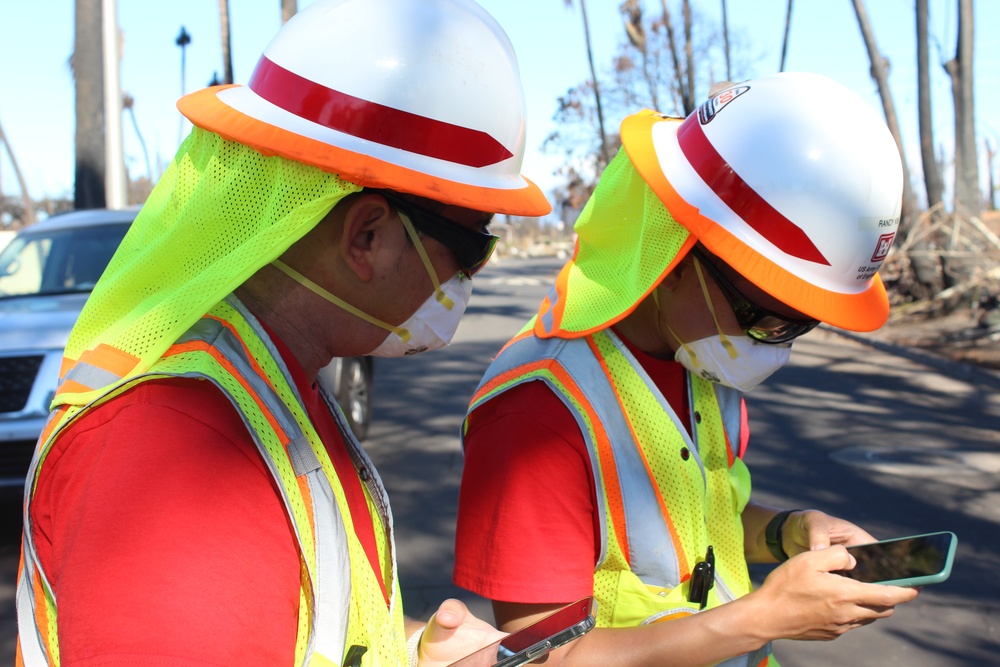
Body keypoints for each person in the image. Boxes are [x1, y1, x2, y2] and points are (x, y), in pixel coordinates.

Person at [15, 0, 550, 665]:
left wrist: (411, 648)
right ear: (368, 235)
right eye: (471, 248)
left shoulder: (268, 385)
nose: (469, 278)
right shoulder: (174, 443)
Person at [453, 72, 919, 667]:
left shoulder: (700, 363)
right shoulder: (538, 412)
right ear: (676, 254)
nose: (776, 344)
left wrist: (791, 532)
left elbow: (707, 523)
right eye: (764, 315)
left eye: (801, 323)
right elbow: (542, 658)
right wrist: (760, 618)